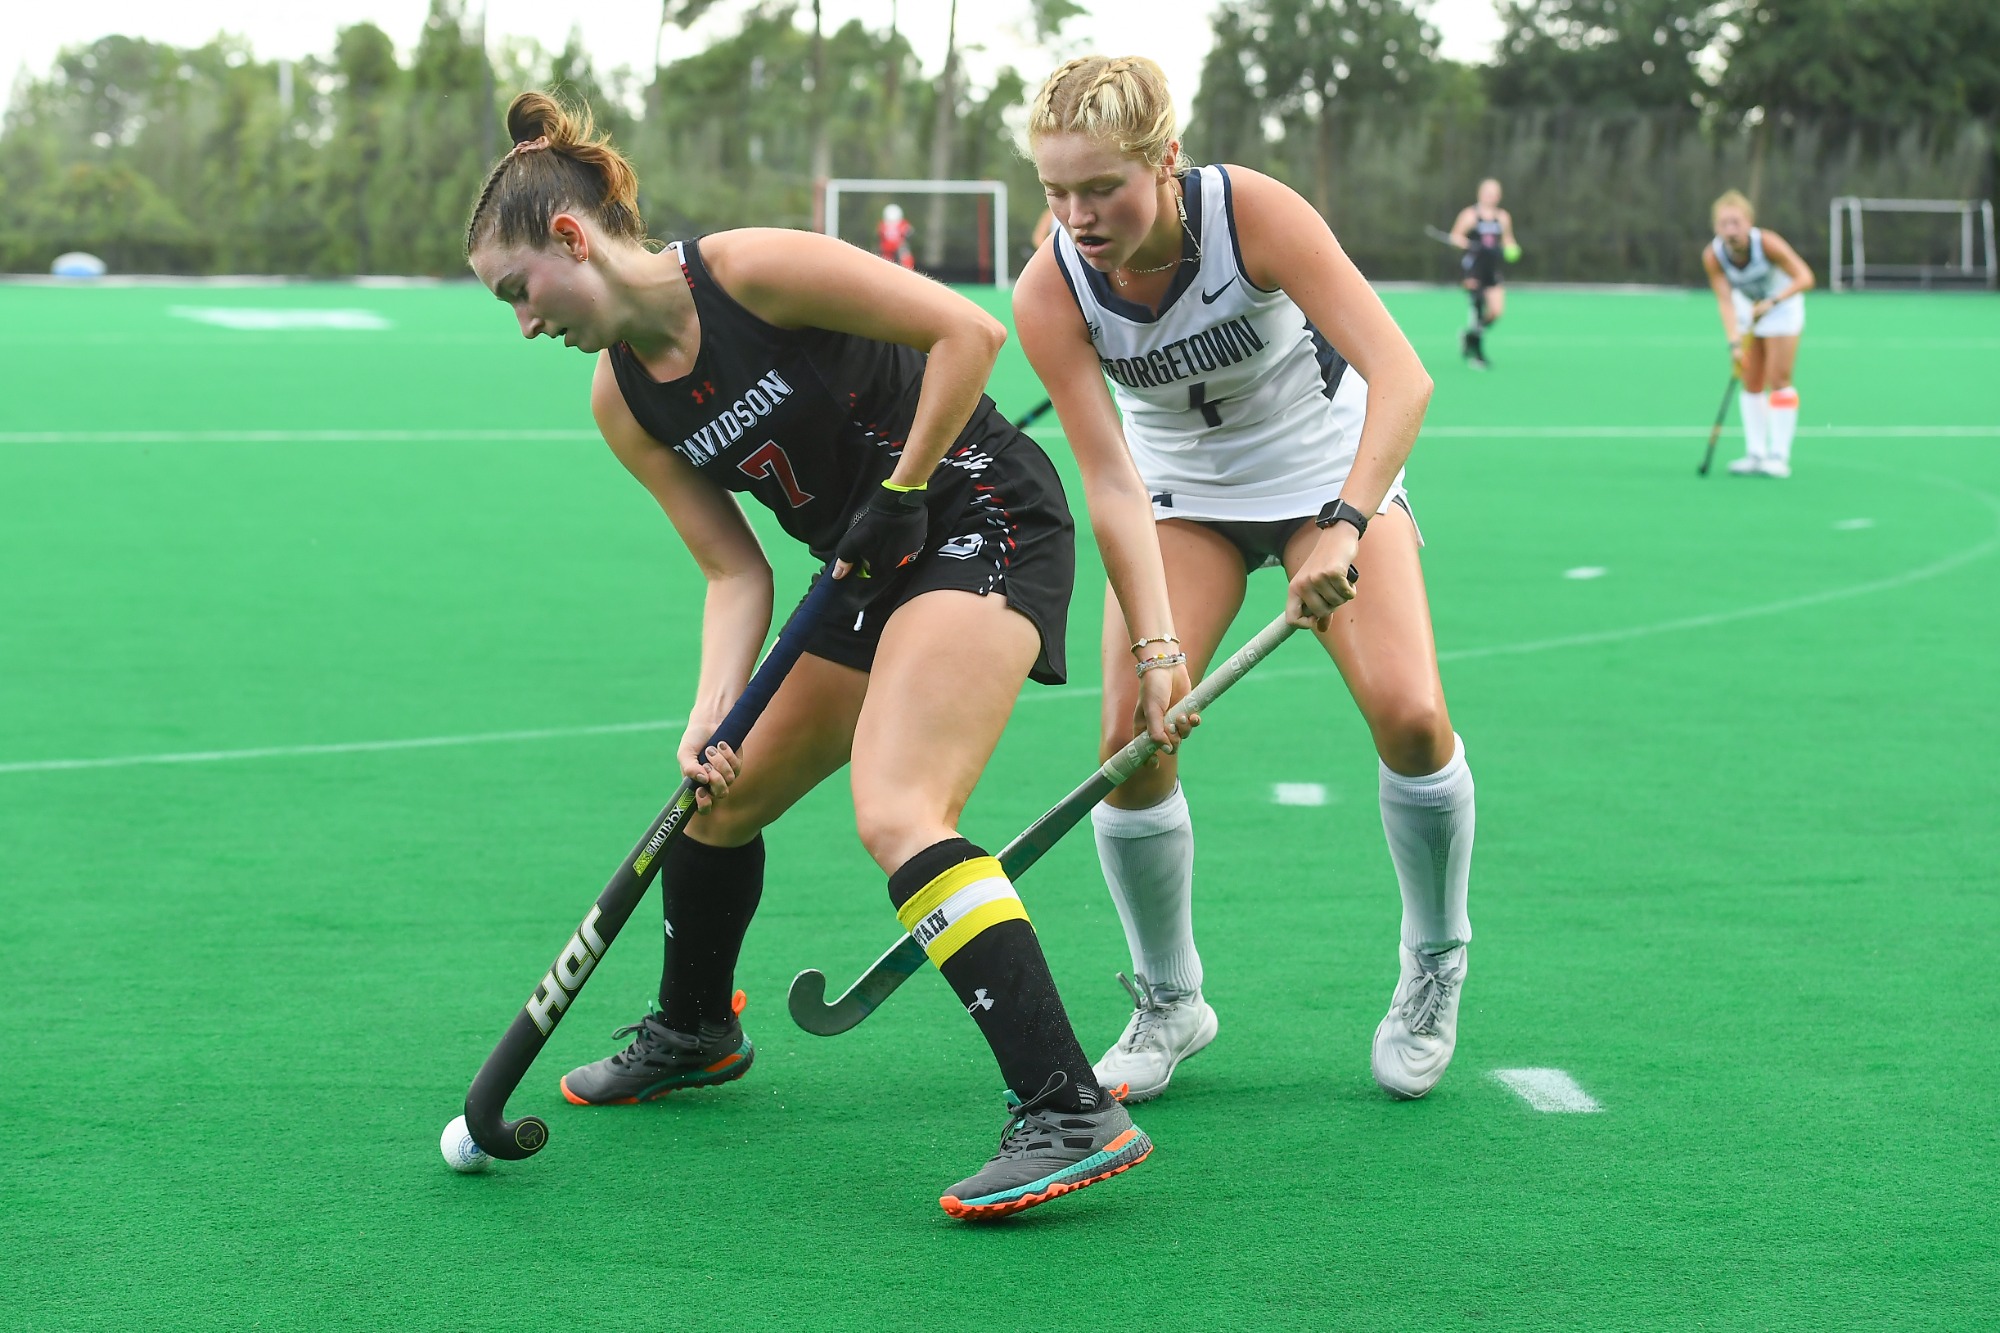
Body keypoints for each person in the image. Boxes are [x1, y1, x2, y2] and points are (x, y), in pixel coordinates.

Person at [465, 91, 1163, 1219]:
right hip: (860, 566)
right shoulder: (623, 399)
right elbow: (733, 570)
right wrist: (712, 714)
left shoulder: (746, 272)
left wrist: (900, 490)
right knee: (713, 803)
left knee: (899, 806)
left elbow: (966, 335)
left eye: (518, 293)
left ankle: (1067, 1105)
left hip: (979, 517)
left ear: (570, 239)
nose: (525, 324)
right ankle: (697, 1029)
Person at [1014, 56, 1476, 1104]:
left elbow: (1401, 375)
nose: (1078, 216)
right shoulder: (1050, 287)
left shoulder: (1249, 213)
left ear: (1164, 160)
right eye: (1055, 191)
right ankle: (1170, 999)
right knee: (1132, 740)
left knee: (1408, 714)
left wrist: (1344, 526)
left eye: (1101, 188)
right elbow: (1109, 481)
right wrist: (1157, 645)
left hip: (1329, 474)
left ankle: (1434, 958)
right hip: (1181, 501)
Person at [1703, 190, 1815, 478]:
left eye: (1736, 222)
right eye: (1724, 224)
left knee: (1778, 378)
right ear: (1716, 227)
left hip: (1782, 306)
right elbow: (1725, 301)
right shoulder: (1713, 256)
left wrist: (1774, 301)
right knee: (1750, 380)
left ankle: (1778, 456)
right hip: (1749, 310)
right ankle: (1756, 453)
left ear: (1749, 223)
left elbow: (1805, 277)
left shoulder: (1767, 244)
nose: (1731, 230)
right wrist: (1734, 342)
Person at [1447, 179, 1518, 369]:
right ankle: (1477, 355)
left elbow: (1508, 240)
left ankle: (1469, 336)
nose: (1491, 196)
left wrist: (1511, 248)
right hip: (1473, 269)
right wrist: (1470, 245)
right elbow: (1455, 237)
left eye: (1494, 193)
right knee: (1477, 310)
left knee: (1495, 312)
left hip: (1492, 269)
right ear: (1480, 193)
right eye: (1487, 192)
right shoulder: (1470, 215)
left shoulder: (1502, 217)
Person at [876, 202, 916, 268]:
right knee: (879, 256)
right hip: (886, 248)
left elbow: (909, 232)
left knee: (904, 254)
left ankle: (907, 270)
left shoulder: (902, 223)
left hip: (898, 247)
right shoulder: (883, 224)